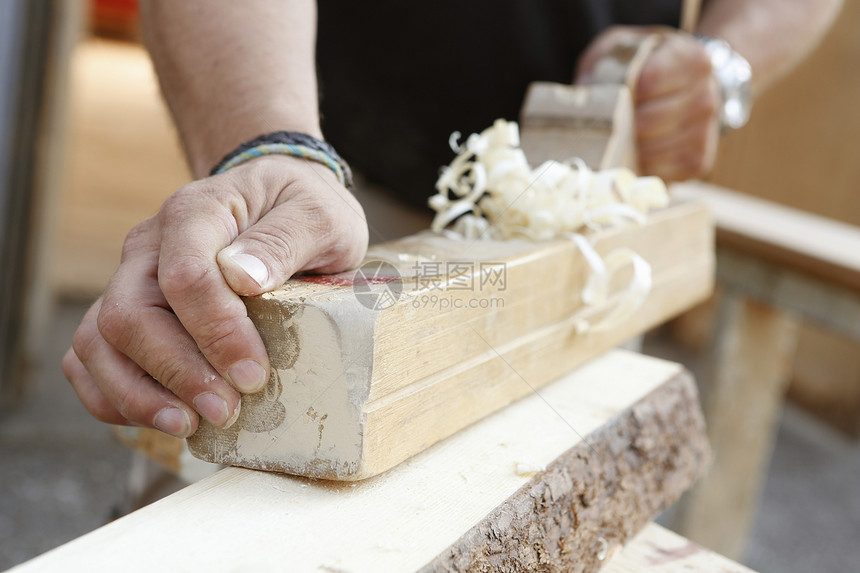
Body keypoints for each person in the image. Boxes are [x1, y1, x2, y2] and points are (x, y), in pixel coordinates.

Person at [63, 0, 841, 438]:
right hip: (334, 162)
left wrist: (724, 59)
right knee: (265, 413)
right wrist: (271, 141)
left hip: (590, 228)